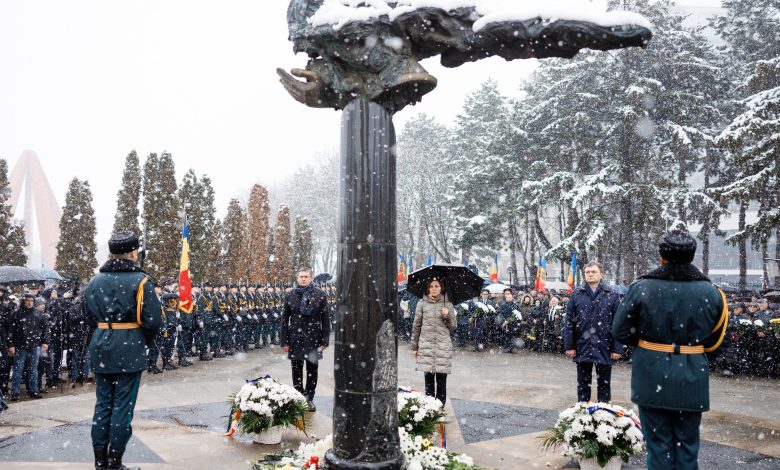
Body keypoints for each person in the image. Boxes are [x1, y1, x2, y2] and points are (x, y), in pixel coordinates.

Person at [612, 230, 729, 470]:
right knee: (687, 446)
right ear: (691, 256)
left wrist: (650, 346)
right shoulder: (712, 292)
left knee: (657, 445)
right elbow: (716, 341)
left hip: (651, 373)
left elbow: (620, 331)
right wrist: (691, 351)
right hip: (692, 375)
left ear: (662, 257)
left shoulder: (642, 287)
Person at [84, 231, 163, 470]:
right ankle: (115, 461)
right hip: (128, 345)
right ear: (132, 253)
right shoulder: (141, 281)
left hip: (100, 344)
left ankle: (100, 460)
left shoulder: (94, 281)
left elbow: (88, 317)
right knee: (122, 406)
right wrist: (142, 341)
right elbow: (153, 321)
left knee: (103, 404)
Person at [562, 261, 623, 403]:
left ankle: (604, 415)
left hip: (605, 346)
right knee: (583, 385)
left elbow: (618, 324)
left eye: (593, 272)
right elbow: (569, 322)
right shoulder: (577, 294)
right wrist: (569, 346)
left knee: (604, 385)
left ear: (602, 274)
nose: (590, 274)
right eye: (587, 272)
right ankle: (583, 414)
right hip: (583, 345)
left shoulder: (612, 295)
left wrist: (617, 348)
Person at [281, 267, 330, 412]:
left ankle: (309, 398)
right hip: (295, 337)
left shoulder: (320, 295)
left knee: (312, 370)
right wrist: (284, 341)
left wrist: (325, 340)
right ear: (297, 278)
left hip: (314, 338)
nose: (303, 279)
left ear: (311, 278)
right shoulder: (290, 295)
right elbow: (284, 319)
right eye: (301, 276)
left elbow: (325, 319)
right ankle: (298, 396)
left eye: (306, 276)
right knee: (296, 369)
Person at [411, 278, 456, 405]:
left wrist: (446, 316)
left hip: (443, 346)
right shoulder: (422, 303)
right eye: (431, 286)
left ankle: (440, 408)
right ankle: (430, 410)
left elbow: (453, 327)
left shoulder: (448, 304)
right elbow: (416, 326)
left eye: (437, 286)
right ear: (428, 288)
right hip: (426, 346)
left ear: (441, 288)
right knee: (429, 381)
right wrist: (414, 347)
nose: (434, 288)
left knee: (442, 381)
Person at [7, 293, 50, 400]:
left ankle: (33, 391)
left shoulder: (38, 313)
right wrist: (11, 344)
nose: (29, 302)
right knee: (18, 370)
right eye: (27, 300)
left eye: (31, 300)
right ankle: (15, 393)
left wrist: (45, 341)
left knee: (33, 370)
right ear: (23, 301)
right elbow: (10, 331)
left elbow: (45, 328)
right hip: (20, 346)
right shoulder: (16, 314)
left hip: (34, 345)